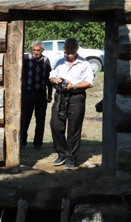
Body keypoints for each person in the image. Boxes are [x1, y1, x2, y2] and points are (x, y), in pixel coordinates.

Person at [49, 37, 94, 170]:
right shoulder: (59, 62)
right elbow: (51, 76)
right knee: (55, 125)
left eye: (71, 50)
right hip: (60, 96)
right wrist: (54, 80)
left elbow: (90, 82)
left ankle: (70, 158)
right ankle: (62, 153)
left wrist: (74, 86)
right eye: (66, 49)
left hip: (76, 97)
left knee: (74, 129)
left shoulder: (84, 63)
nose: (68, 52)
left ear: (76, 49)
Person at [20, 41, 53, 149]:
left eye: (38, 50)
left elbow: (49, 78)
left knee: (40, 119)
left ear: (42, 50)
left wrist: (49, 93)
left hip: (41, 94)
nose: (35, 52)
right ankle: (22, 142)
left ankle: (38, 143)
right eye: (34, 50)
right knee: (24, 119)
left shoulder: (46, 60)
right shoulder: (25, 59)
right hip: (27, 93)